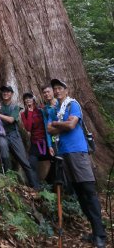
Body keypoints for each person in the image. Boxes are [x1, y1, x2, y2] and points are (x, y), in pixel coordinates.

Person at [47, 78, 106, 248]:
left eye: (59, 88)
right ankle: (95, 232)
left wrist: (58, 124)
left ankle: (100, 234)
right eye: (55, 89)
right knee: (79, 193)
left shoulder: (73, 104)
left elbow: (72, 125)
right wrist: (61, 124)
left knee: (88, 191)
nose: (57, 91)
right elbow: (49, 129)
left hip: (78, 151)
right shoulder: (55, 109)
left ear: (66, 89)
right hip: (63, 153)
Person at [0, 85, 39, 189]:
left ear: (11, 94)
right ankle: (8, 180)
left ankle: (35, 186)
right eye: (4, 92)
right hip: (2, 135)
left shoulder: (15, 107)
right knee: (4, 155)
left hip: (14, 135)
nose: (5, 93)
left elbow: (11, 120)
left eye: (8, 92)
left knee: (24, 161)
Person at [20, 92, 51, 182]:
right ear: (24, 101)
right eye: (26, 98)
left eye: (30, 97)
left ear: (33, 99)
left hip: (47, 142)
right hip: (35, 143)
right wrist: (29, 112)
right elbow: (28, 128)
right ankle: (36, 186)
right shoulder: (24, 114)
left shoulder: (41, 109)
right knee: (32, 164)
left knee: (56, 162)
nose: (28, 99)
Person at [41, 84, 59, 156]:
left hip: (65, 136)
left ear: (53, 91)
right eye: (44, 92)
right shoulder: (45, 109)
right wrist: (49, 145)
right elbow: (46, 127)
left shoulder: (61, 103)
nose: (46, 94)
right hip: (54, 138)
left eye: (48, 91)